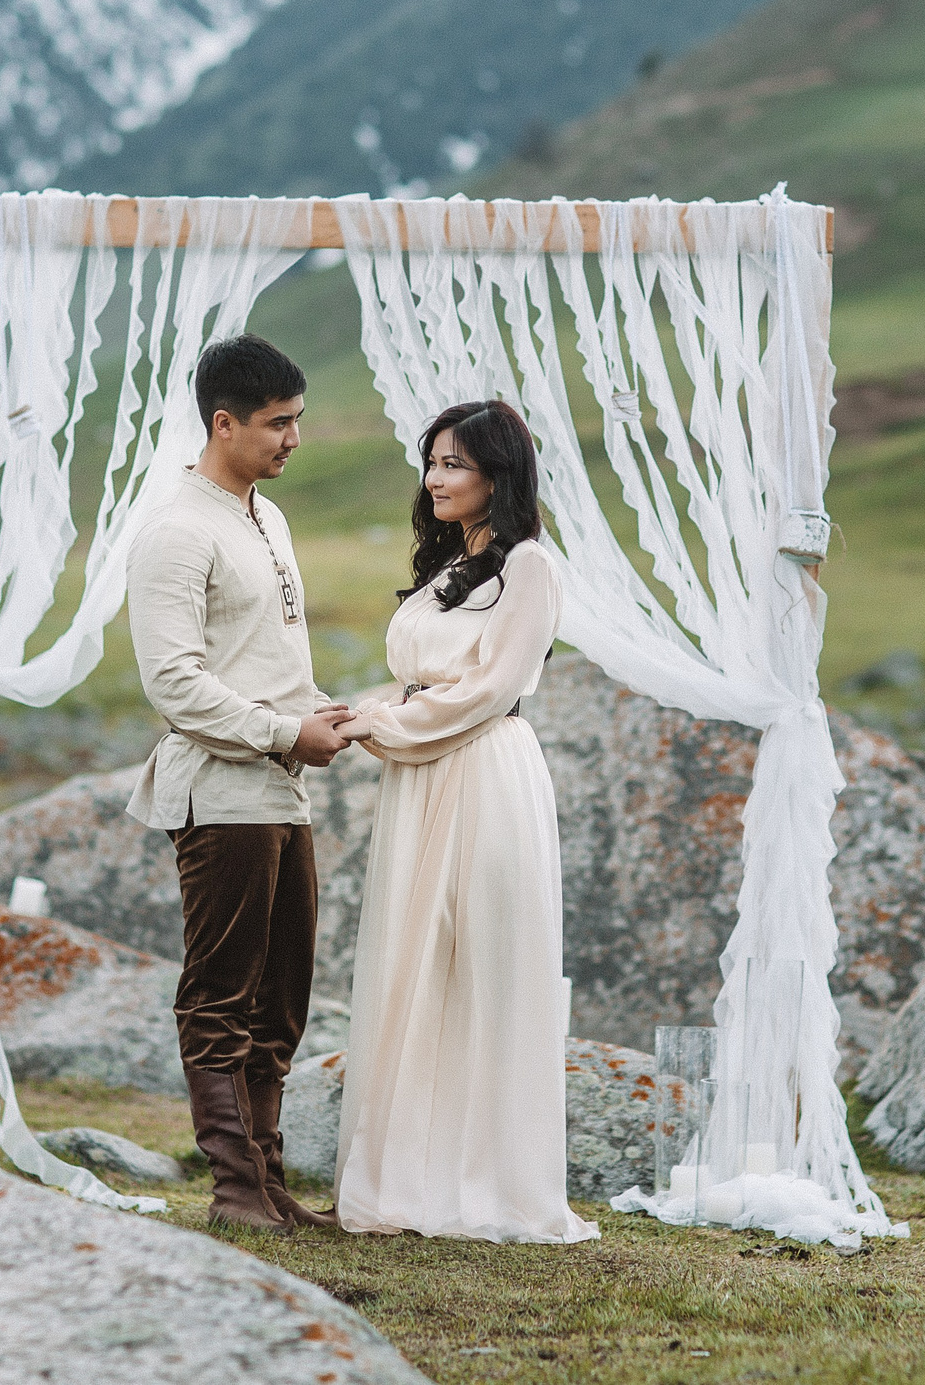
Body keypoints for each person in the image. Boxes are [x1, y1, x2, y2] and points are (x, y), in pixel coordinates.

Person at [329, 399, 599, 1244]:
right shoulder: (450, 565)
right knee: (413, 962)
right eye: (432, 461)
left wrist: (379, 725)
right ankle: (408, 1177)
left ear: (497, 475)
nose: (435, 478)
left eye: (454, 464)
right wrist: (358, 711)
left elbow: (488, 689)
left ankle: (487, 1182)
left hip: (482, 768)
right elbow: (421, 680)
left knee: (479, 964)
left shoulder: (529, 568)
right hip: (421, 772)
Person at [124, 334, 353, 1235]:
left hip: (280, 789)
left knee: (282, 996)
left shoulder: (268, 516)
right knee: (221, 993)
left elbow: (261, 656)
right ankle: (233, 1190)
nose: (294, 438)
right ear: (223, 423)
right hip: (220, 795)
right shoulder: (176, 531)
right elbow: (173, 683)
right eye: (276, 423)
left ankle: (270, 1183)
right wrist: (283, 731)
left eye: (297, 419)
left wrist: (319, 713)